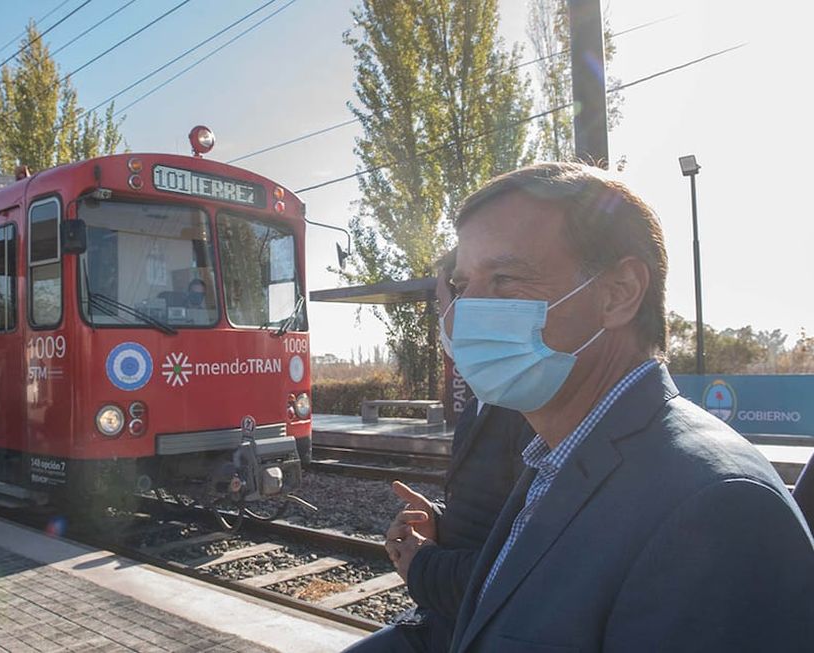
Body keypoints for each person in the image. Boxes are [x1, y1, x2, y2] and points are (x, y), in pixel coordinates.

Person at [443, 162, 814, 652]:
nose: (464, 312)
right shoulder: (553, 458)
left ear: (618, 295)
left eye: (506, 279)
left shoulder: (718, 509)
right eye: (462, 285)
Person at [343, 249, 534, 653]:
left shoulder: (531, 411)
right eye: (461, 291)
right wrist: (440, 526)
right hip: (456, 623)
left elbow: (529, 573)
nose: (448, 314)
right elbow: (496, 524)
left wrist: (420, 565)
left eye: (450, 295)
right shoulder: (486, 401)